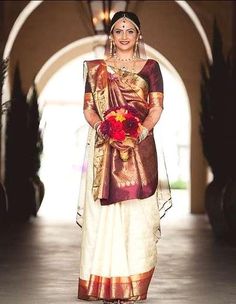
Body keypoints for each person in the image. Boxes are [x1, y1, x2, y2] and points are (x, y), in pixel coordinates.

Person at [76, 11, 172, 304]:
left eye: (130, 30)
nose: (124, 36)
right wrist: (102, 127)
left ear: (138, 35)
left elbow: (156, 107)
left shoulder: (150, 67)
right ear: (112, 36)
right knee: (106, 218)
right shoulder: (97, 69)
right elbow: (89, 108)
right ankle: (107, 286)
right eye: (119, 30)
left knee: (137, 217)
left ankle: (132, 288)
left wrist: (140, 131)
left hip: (139, 149)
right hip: (105, 150)